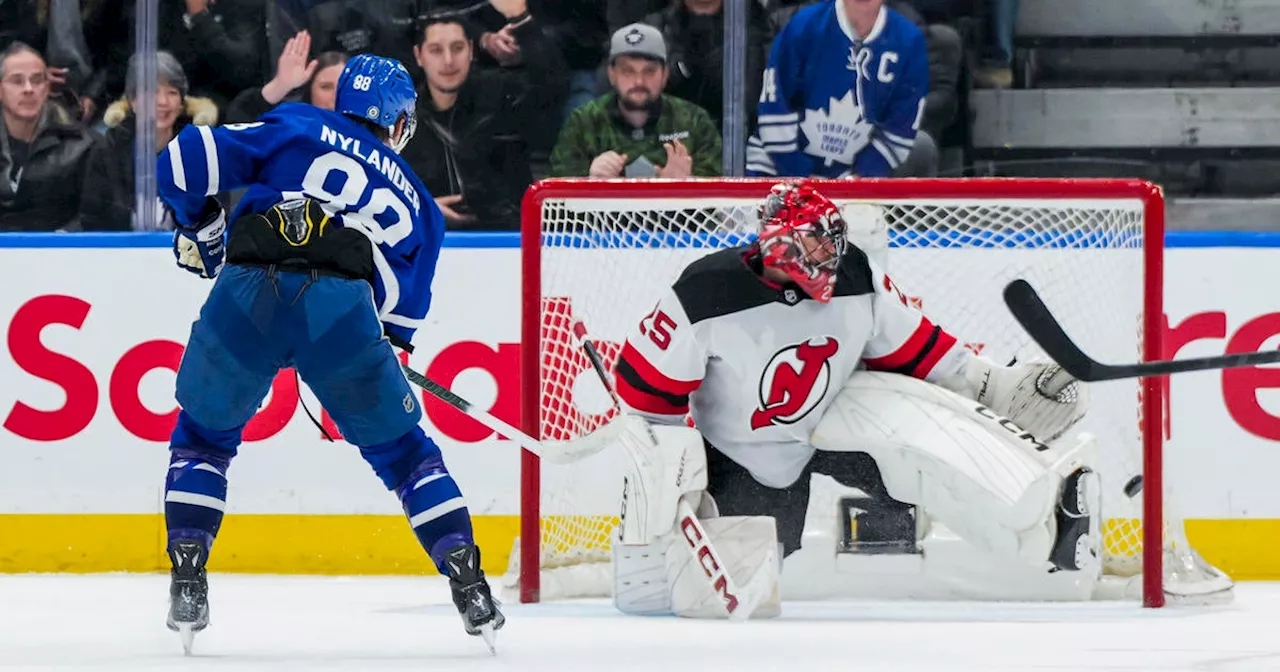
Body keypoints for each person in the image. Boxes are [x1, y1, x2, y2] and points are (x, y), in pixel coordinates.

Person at [601, 182, 1098, 618]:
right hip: (737, 459)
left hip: (837, 426)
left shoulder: (857, 274)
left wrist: (995, 387)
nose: (830, 256)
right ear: (778, 246)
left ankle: (1054, 530)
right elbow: (645, 396)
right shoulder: (704, 291)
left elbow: (924, 353)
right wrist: (673, 479)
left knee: (933, 454)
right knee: (724, 593)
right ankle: (653, 570)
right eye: (816, 243)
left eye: (831, 241)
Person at [154, 53, 504, 652]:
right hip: (340, 312)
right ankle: (467, 580)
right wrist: (386, 347)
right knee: (406, 458)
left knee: (204, 440)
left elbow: (181, 162)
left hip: (248, 289)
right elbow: (397, 321)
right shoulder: (422, 204)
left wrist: (202, 227)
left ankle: (189, 571)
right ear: (396, 119)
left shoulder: (294, 124)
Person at [746, 0, 936, 178]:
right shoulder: (804, 27)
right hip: (777, 169)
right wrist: (801, 175)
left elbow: (901, 124)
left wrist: (861, 177)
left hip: (854, 181)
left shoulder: (909, 41)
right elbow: (775, 107)